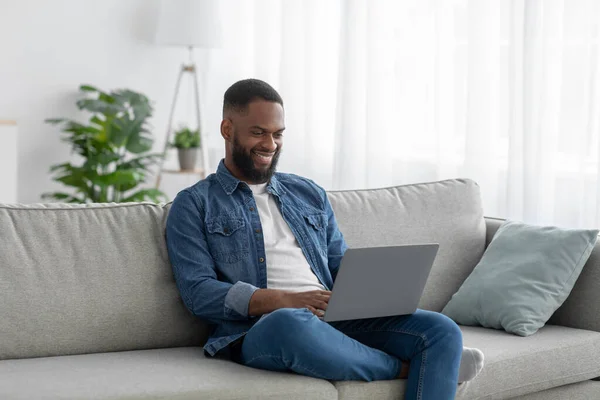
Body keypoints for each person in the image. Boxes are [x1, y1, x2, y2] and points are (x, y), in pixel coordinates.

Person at [165, 79, 484, 399]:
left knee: (441, 330)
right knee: (288, 323)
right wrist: (284, 300)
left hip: (333, 318)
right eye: (258, 132)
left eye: (278, 134)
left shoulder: (308, 193)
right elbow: (199, 292)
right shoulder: (194, 204)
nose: (271, 144)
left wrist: (373, 288)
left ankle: (423, 357)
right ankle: (400, 367)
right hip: (262, 329)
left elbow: (337, 261)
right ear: (227, 129)